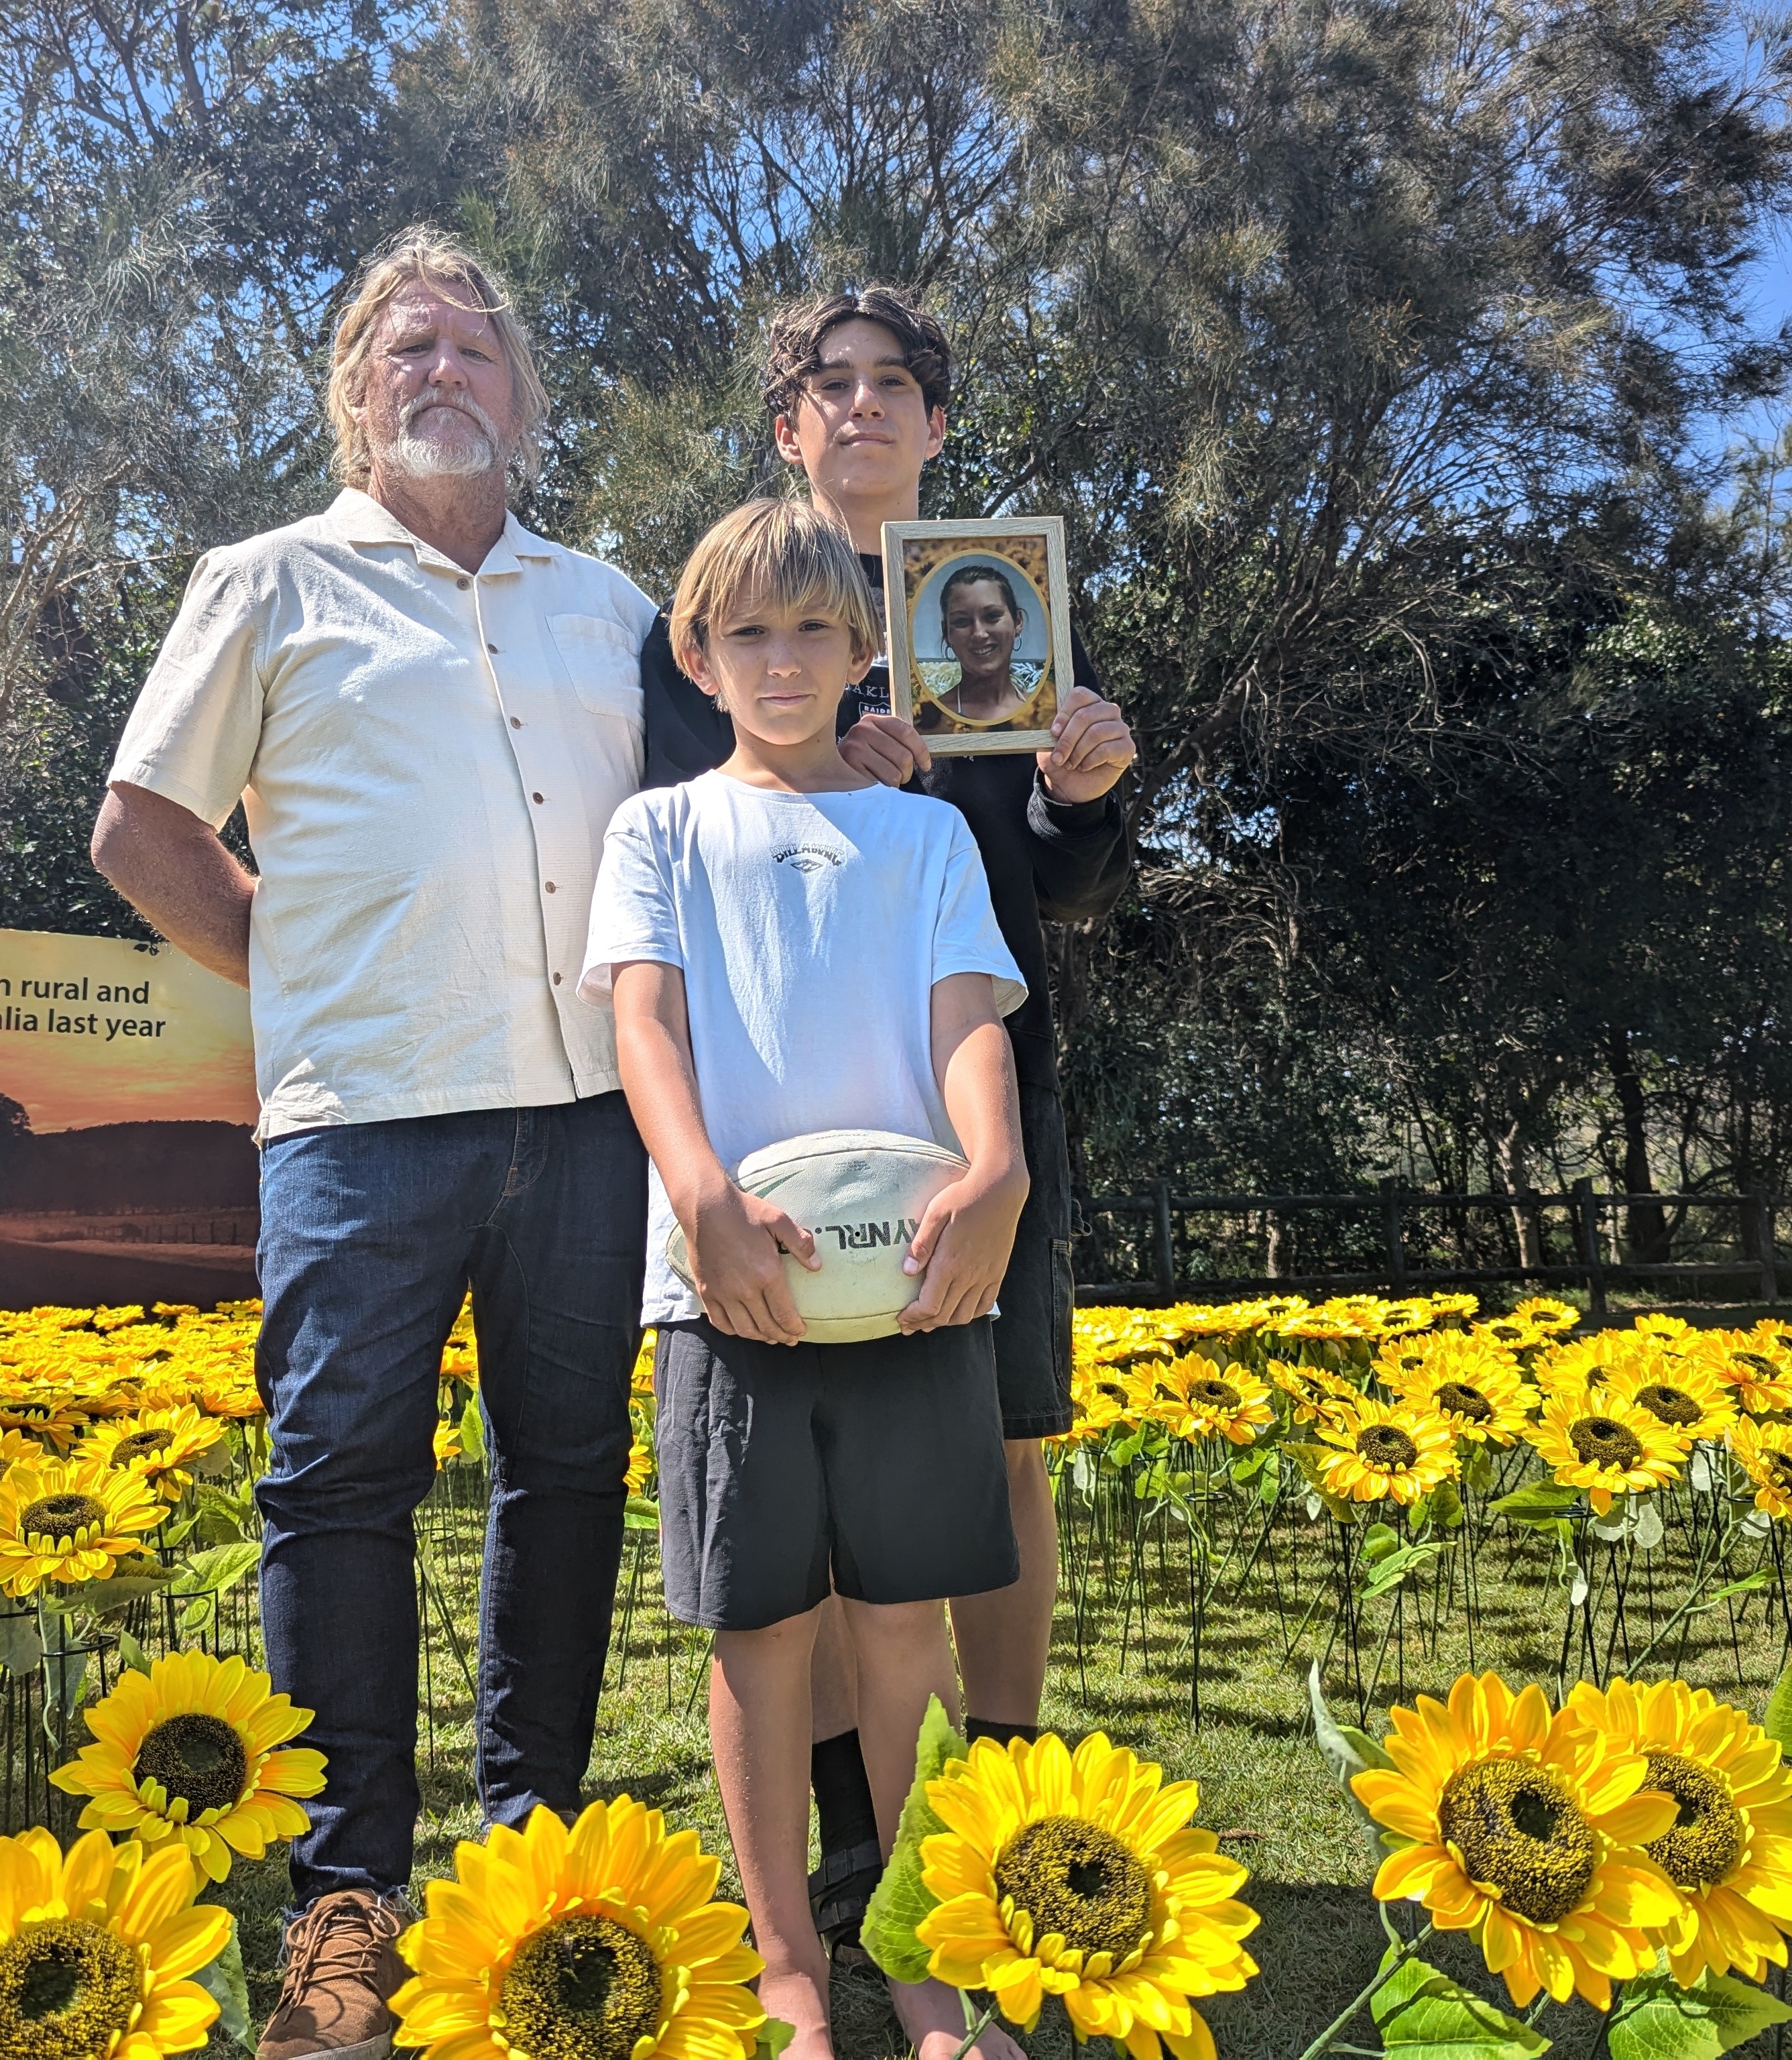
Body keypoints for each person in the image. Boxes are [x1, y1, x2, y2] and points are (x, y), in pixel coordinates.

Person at [91, 227, 656, 2060]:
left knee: (564, 1479)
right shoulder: (265, 581)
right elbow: (141, 829)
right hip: (358, 1124)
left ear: (524, 397)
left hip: (585, 1119)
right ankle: (347, 1899)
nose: (441, 371)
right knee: (337, 1491)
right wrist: (305, 967)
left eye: (473, 348)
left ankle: (534, 1855)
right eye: (403, 349)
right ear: (354, 394)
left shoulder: (614, 603)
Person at [638, 286, 1138, 1947]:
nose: (861, 408)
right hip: (788, 1138)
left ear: (934, 424)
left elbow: (1054, 893)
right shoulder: (729, 619)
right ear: (786, 423)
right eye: (828, 385)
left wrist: (1081, 795)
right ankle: (854, 1850)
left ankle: (992, 1796)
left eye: (894, 386)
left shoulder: (1000, 619)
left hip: (983, 1093)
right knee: (825, 1500)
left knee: (992, 1445)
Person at [586, 498, 1031, 2060]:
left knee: (907, 1628)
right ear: (697, 655)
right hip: (728, 1291)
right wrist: (699, 1193)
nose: (780, 661)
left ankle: (918, 1959)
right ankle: (786, 1964)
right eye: (745, 633)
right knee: (760, 1634)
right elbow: (642, 1027)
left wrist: (996, 1165)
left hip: (911, 1290)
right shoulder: (655, 832)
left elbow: (963, 1020)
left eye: (810, 630)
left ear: (860, 649)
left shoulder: (924, 835)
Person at [919, 561, 1053, 733]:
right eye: (962, 621)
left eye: (992, 616)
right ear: (947, 634)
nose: (979, 633)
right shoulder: (928, 722)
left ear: (1018, 622)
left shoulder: (1045, 715)